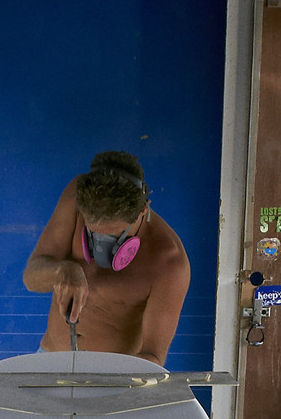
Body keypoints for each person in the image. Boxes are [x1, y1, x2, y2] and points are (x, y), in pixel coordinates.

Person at [23, 150, 190, 363]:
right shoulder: (75, 197)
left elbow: (153, 356)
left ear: (142, 211)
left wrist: (118, 390)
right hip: (50, 359)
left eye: (114, 236)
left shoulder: (168, 261)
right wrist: (61, 271)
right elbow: (31, 279)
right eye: (93, 233)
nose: (100, 246)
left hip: (114, 376)